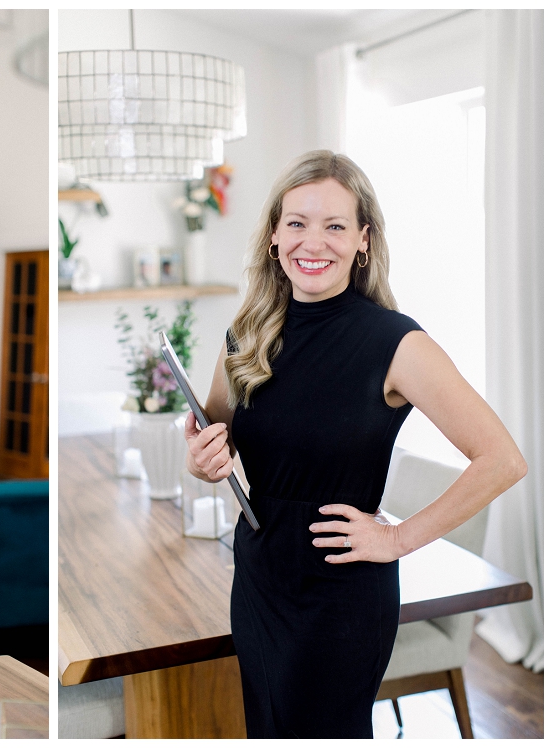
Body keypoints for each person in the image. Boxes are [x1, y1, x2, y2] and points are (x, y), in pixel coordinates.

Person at [184, 150, 526, 738]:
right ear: (273, 236)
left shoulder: (396, 343)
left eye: (335, 225)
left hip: (341, 593)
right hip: (260, 579)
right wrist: (199, 459)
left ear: (363, 240)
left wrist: (397, 538)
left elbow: (502, 460)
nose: (312, 242)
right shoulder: (246, 333)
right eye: (297, 223)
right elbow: (213, 437)